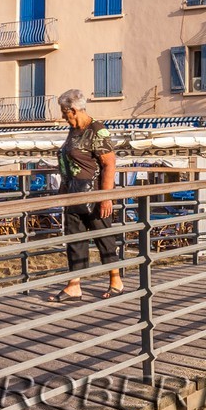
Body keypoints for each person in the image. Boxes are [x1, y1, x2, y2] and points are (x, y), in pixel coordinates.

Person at [48, 88, 123, 303]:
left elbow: (109, 163)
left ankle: (116, 280)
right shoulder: (74, 130)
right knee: (75, 238)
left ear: (72, 109)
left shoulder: (96, 130)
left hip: (94, 194)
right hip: (73, 194)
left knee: (104, 237)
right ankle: (74, 285)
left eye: (64, 112)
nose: (63, 116)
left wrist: (105, 197)